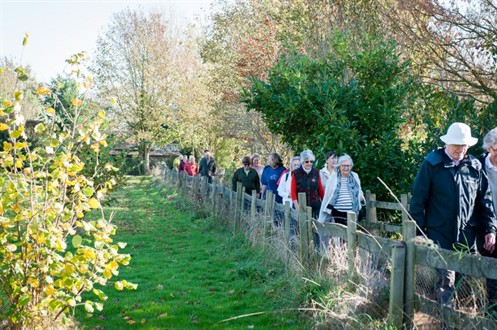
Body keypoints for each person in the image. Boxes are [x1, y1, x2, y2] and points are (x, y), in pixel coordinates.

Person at [409, 122, 496, 309]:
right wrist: (419, 233)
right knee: (446, 284)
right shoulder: (432, 164)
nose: (460, 149)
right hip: (439, 234)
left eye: (464, 145)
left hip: (467, 236)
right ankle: (447, 324)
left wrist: (490, 229)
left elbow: (485, 202)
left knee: (468, 286)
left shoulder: (474, 166)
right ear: (447, 143)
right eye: (457, 145)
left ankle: (468, 321)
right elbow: (418, 201)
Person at [478, 128, 497, 317]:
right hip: (485, 228)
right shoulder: (477, 167)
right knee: (490, 273)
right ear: (489, 149)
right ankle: (491, 315)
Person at [319, 154, 366, 226]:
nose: (346, 168)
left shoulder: (355, 176)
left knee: (351, 234)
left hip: (353, 212)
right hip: (338, 213)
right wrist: (322, 218)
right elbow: (327, 196)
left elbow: (359, 191)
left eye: (348, 165)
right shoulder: (333, 178)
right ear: (339, 166)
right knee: (341, 234)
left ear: (351, 166)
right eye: (344, 165)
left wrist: (361, 198)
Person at [291, 150, 324, 247]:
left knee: (316, 229)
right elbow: (292, 192)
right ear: (302, 162)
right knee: (302, 229)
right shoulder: (296, 173)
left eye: (311, 161)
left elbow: (321, 190)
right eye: (306, 161)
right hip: (301, 206)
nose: (309, 163)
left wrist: (324, 205)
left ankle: (316, 249)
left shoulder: (316, 172)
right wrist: (297, 206)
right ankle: (302, 248)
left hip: (315, 205)